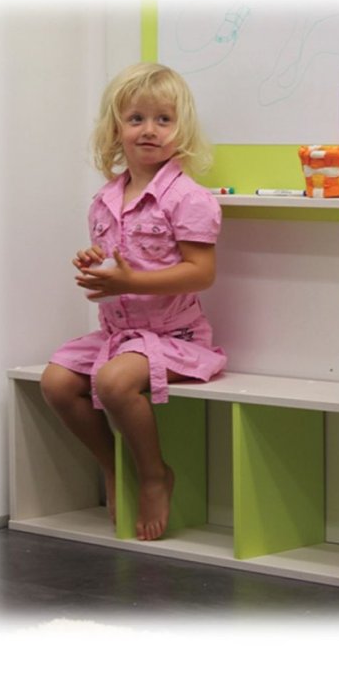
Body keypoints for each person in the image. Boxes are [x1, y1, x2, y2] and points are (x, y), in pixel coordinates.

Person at [39, 63, 227, 541]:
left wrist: (128, 281)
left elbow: (201, 272)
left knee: (113, 380)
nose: (149, 130)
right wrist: (96, 262)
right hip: (119, 337)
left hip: (176, 338)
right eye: (136, 118)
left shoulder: (189, 198)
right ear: (115, 127)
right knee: (56, 382)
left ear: (182, 128)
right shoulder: (106, 199)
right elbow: (118, 261)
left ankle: (153, 474)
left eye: (164, 119)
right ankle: (112, 464)